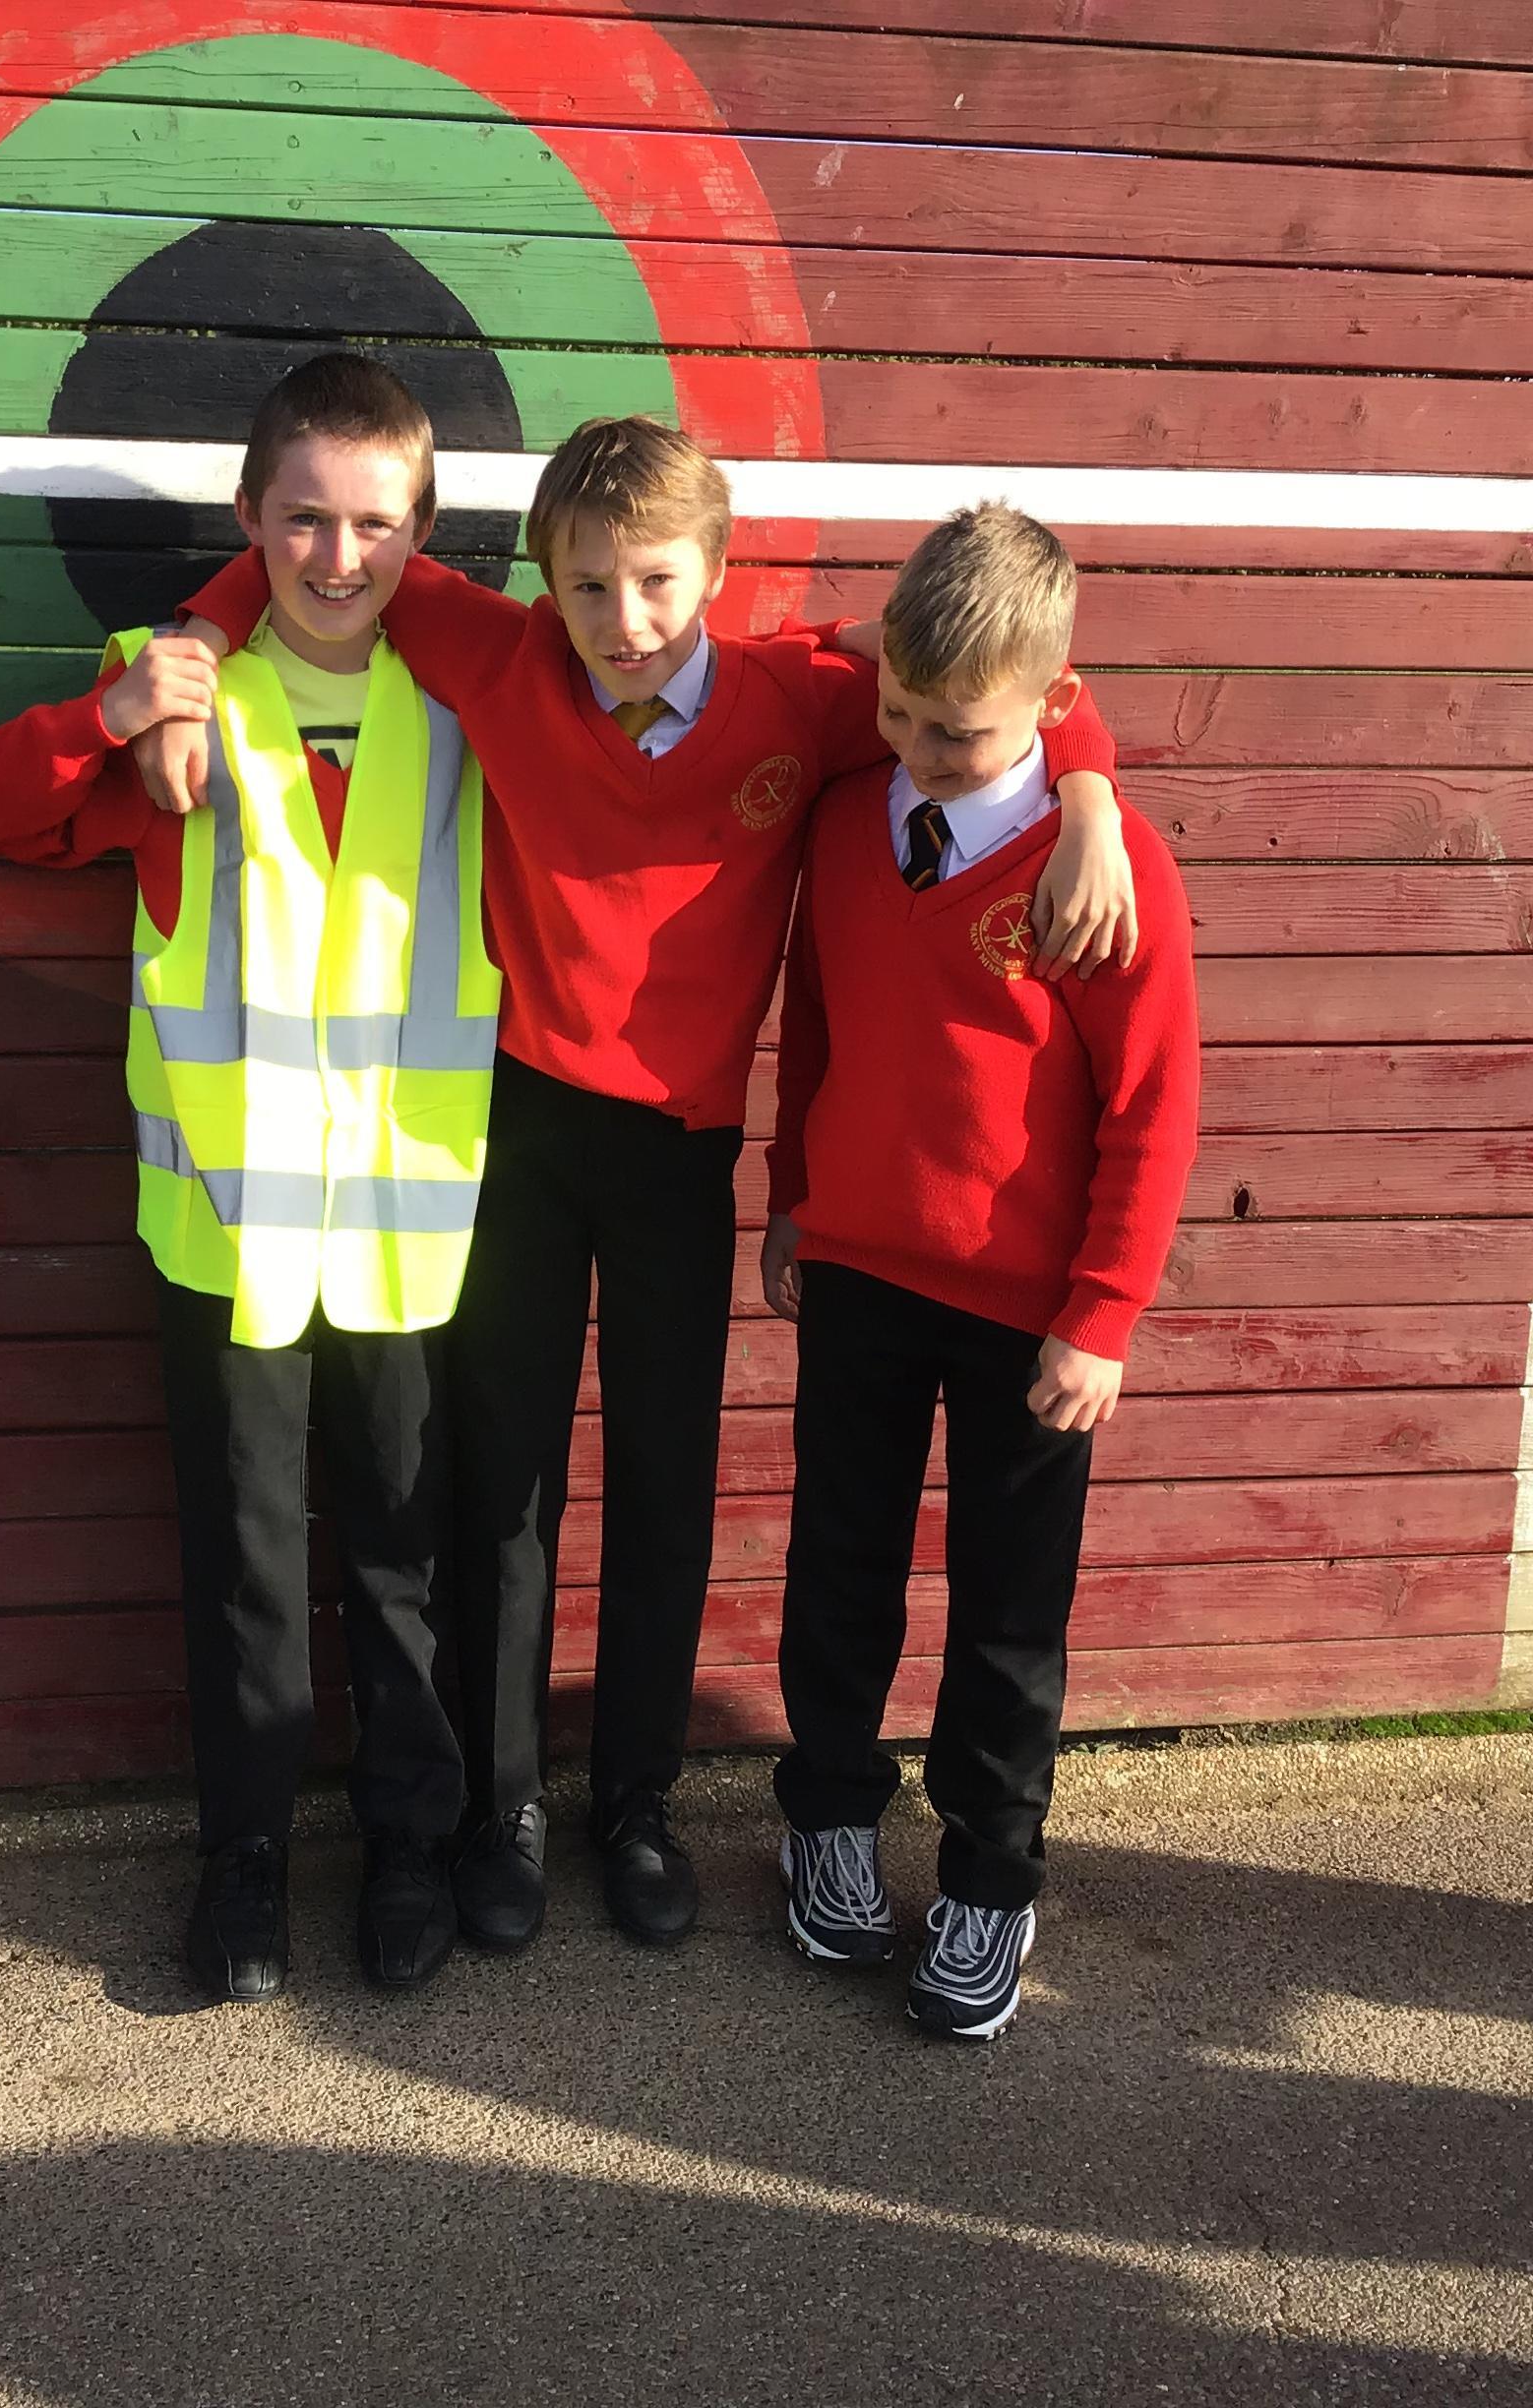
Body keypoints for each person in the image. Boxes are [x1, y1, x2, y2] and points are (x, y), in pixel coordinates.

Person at [153, 420, 1138, 1955]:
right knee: (507, 1487)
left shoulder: (805, 697)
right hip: (521, 1136)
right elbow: (317, 571)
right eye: (591, 587)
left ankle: (636, 1806)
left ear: (720, 572)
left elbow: (1000, 683)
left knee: (666, 1482)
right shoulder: (498, 658)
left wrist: (1088, 801)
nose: (626, 621)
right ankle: (504, 1809)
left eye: (660, 583)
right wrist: (194, 642)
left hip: (682, 1152)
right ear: (544, 583)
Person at [0, 352, 495, 2004]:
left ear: (423, 534)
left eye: (376, 524)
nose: (339, 555)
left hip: (411, 1223)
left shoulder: (476, 709)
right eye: (305, 518)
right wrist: (115, 716)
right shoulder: (169, 689)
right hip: (229, 1223)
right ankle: (245, 1858)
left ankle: (408, 1844)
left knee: (403, 1559)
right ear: (250, 514)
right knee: (249, 1565)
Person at [761, 503, 1200, 2040]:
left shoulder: (1106, 874)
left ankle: (990, 1881)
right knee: (841, 1569)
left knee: (1010, 1615)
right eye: (898, 714)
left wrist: (1105, 1316)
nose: (921, 750)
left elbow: (1155, 1106)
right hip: (860, 1274)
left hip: (1031, 1319)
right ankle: (827, 1815)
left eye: (958, 732)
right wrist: (795, 1199)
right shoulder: (843, 821)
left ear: (1057, 704)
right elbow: (814, 1026)